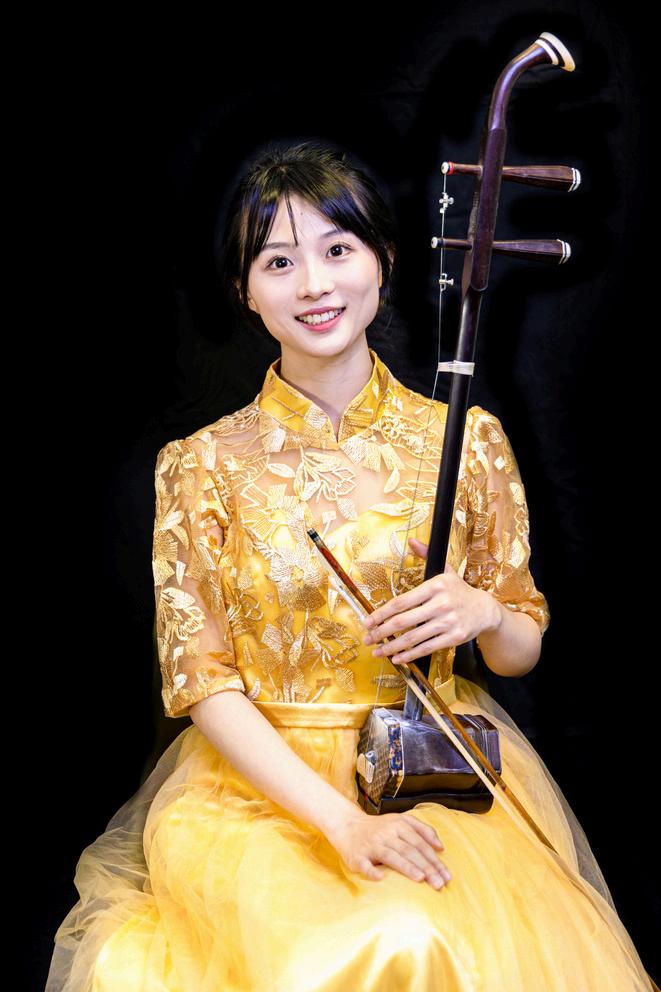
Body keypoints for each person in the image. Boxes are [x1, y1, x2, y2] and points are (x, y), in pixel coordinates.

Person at [47, 140, 653, 991]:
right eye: (278, 262)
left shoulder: (465, 440)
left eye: (338, 250)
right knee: (377, 944)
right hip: (257, 792)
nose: (313, 285)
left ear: (383, 260)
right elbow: (200, 681)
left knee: (435, 938)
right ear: (244, 291)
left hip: (429, 769)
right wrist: (341, 824)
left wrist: (484, 613)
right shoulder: (200, 463)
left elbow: (520, 649)